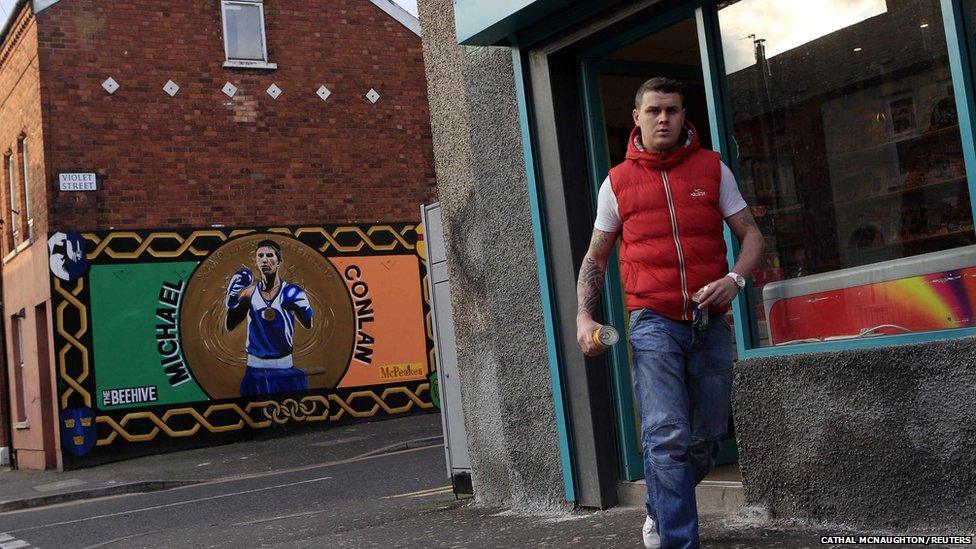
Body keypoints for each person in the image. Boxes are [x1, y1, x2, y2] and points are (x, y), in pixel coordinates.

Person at [575, 78, 764, 549]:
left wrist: (734, 281)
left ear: (684, 116)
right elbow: (596, 258)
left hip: (710, 320)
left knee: (704, 440)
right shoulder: (617, 182)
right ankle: (678, 540)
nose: (664, 119)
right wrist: (584, 317)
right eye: (654, 110)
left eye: (673, 110)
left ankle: (658, 509)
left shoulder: (712, 169)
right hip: (653, 322)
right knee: (666, 435)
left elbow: (753, 236)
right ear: (637, 117)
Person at [225, 239, 314, 397]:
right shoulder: (249, 293)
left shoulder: (291, 292)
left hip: (285, 368)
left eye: (270, 255)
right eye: (261, 256)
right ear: (256, 261)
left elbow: (308, 324)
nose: (265, 259)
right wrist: (231, 299)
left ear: (279, 261)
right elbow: (230, 325)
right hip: (255, 368)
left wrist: (304, 308)